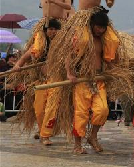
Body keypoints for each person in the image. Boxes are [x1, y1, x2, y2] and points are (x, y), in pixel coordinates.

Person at [66, 9, 119, 154]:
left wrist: (113, 72)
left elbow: (108, 60)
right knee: (81, 113)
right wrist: (70, 73)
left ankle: (93, 136)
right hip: (82, 79)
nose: (100, 30)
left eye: (102, 28)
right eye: (97, 26)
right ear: (92, 25)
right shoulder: (82, 39)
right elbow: (69, 56)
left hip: (98, 79)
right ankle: (77, 145)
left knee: (102, 110)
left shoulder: (104, 41)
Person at [12, 18, 62, 145]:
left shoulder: (62, 46)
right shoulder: (39, 45)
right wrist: (18, 65)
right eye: (50, 29)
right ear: (45, 31)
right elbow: (24, 57)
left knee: (51, 108)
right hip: (41, 81)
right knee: (39, 110)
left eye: (56, 29)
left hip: (55, 81)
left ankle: (45, 136)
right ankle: (42, 131)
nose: (53, 32)